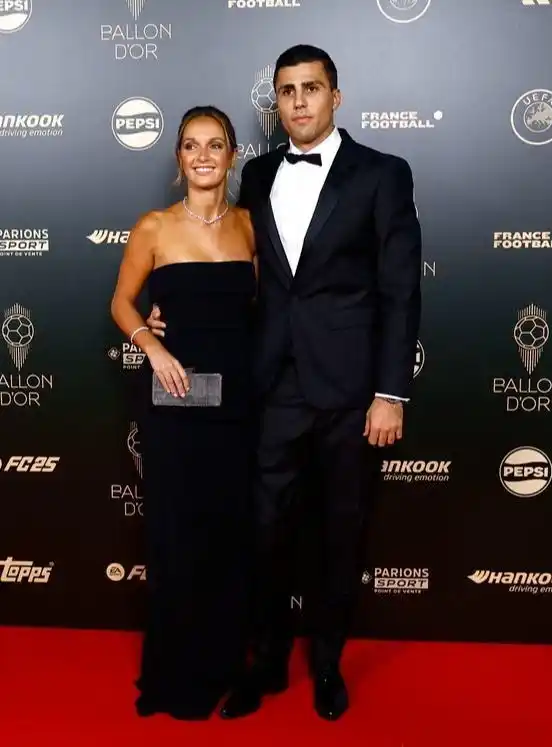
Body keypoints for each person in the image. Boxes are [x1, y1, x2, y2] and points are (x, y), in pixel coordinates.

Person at [147, 44, 422, 721]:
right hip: (270, 387)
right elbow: (236, 268)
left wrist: (391, 393)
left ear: (335, 96)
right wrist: (171, 313)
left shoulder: (383, 173)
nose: (299, 101)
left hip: (352, 391)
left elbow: (400, 290)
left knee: (340, 532)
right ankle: (266, 663)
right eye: (288, 90)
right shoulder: (260, 173)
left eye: (311, 88)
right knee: (263, 531)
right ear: (276, 102)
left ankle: (326, 665)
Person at [110, 106, 256, 720]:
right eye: (191, 145)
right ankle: (175, 674)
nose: (203, 156)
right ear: (178, 158)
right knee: (177, 539)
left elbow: (268, 307)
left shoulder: (250, 226)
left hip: (239, 406)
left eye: (214, 144)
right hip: (176, 403)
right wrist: (151, 342)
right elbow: (122, 301)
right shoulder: (154, 227)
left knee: (228, 538)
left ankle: (224, 666)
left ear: (231, 155)